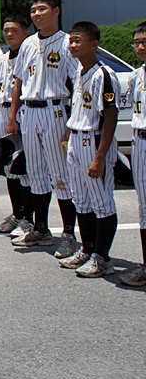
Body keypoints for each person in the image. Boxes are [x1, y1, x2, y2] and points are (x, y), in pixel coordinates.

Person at [6, 0, 80, 256]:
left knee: (60, 175)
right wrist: (12, 115)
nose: (37, 14)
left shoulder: (67, 43)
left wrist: (73, 121)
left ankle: (69, 234)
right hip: (30, 111)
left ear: (56, 11)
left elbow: (78, 83)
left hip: (56, 110)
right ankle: (41, 228)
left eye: (42, 9)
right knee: (35, 174)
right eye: (34, 10)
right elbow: (18, 81)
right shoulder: (27, 44)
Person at [57, 21, 122, 278]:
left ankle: (103, 257)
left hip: (94, 142)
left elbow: (110, 116)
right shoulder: (78, 73)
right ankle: (88, 248)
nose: (73, 45)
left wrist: (101, 157)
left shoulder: (103, 74)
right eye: (71, 40)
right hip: (77, 140)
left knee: (102, 203)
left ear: (94, 44)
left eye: (78, 40)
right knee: (81, 201)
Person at [0, 15, 32, 235]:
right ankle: (17, 214)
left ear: (25, 32)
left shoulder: (30, 57)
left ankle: (29, 218)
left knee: (25, 169)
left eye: (14, 30)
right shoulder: (0, 61)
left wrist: (13, 117)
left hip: (25, 112)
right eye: (6, 30)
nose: (9, 34)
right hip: (4, 112)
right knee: (9, 169)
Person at [120, 21, 146, 286]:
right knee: (144, 208)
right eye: (137, 42)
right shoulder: (137, 76)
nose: (140, 46)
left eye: (144, 42)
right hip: (139, 142)